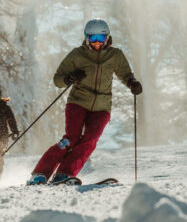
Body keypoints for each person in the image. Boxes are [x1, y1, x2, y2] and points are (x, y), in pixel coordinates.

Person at [27, 18, 142, 185]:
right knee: (70, 139)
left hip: (102, 106)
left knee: (90, 140)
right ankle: (39, 174)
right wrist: (70, 77)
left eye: (101, 39)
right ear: (86, 37)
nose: (96, 43)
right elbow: (58, 79)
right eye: (92, 38)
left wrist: (132, 83)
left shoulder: (115, 55)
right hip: (78, 102)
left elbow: (125, 74)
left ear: (107, 38)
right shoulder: (77, 54)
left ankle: (63, 174)